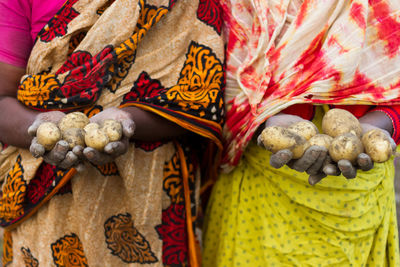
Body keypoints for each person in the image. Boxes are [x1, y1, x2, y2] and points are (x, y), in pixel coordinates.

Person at [0, 0, 225, 266]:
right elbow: (3, 98)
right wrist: (39, 128)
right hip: (45, 203)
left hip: (150, 199)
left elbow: (198, 94)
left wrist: (127, 121)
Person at [203, 0, 400, 266]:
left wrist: (380, 125)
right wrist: (263, 121)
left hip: (356, 204)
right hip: (262, 200)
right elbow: (204, 83)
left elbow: (393, 87)